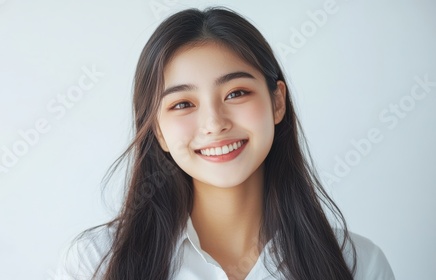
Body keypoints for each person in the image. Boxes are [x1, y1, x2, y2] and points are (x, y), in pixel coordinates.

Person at [55, 7, 395, 280]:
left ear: (277, 102)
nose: (215, 123)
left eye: (236, 93)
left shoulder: (358, 265)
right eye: (183, 104)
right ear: (157, 130)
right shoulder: (95, 264)